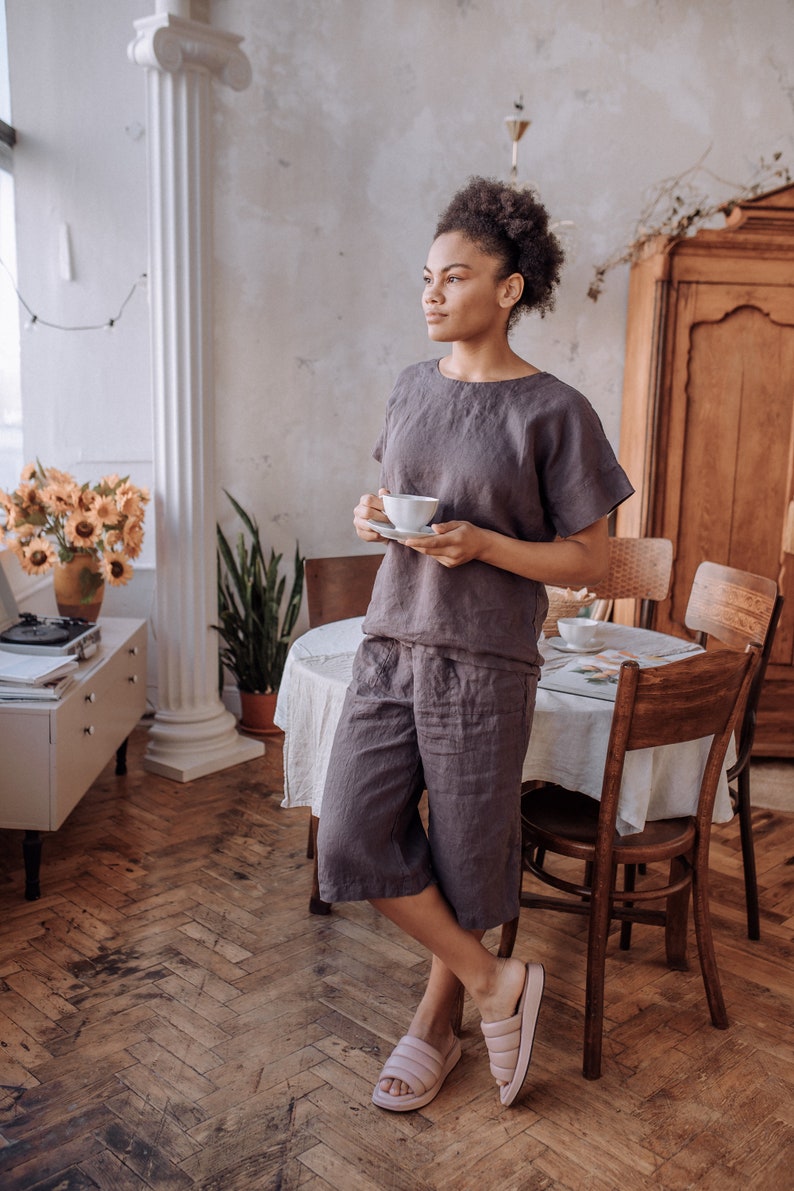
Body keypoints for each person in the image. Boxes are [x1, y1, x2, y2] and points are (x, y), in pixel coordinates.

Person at [317, 176, 633, 1111]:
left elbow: (597, 563)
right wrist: (376, 515)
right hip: (390, 640)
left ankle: (436, 1022)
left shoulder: (555, 411)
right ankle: (497, 982)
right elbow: (403, 490)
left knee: (465, 856)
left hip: (485, 660)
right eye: (426, 277)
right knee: (350, 831)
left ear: (509, 287)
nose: (432, 293)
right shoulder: (411, 385)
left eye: (454, 277)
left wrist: (485, 543)